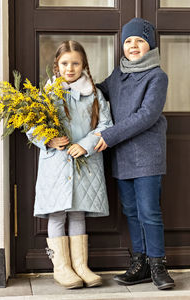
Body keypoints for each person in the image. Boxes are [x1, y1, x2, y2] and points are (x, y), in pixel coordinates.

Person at [95, 18, 175, 290]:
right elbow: (98, 92)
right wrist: (70, 84)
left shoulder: (157, 76)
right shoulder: (118, 74)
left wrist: (108, 136)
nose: (133, 46)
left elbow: (146, 116)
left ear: (150, 45)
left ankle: (158, 264)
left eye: (139, 41)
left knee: (149, 211)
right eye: (128, 41)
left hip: (147, 155)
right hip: (122, 156)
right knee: (130, 211)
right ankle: (139, 262)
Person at [27, 40, 112, 289]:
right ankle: (62, 268)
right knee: (56, 213)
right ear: (57, 65)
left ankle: (81, 265)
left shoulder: (95, 94)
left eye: (75, 63)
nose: (70, 68)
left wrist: (85, 144)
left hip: (84, 161)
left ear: (83, 64)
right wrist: (49, 139)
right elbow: (31, 126)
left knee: (78, 212)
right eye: (65, 63)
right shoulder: (48, 94)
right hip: (56, 165)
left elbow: (106, 125)